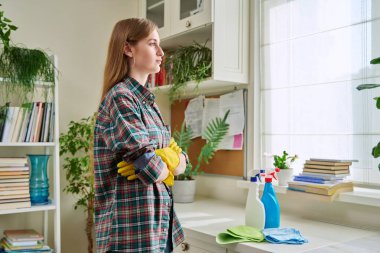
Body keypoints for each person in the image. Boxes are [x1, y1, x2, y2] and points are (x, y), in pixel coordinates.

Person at [93, 18, 188, 253]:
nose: (161, 52)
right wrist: (163, 160)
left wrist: (165, 159)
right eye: (152, 44)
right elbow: (149, 164)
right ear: (128, 48)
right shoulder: (120, 98)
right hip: (130, 234)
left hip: (158, 226)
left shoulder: (148, 103)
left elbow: (182, 162)